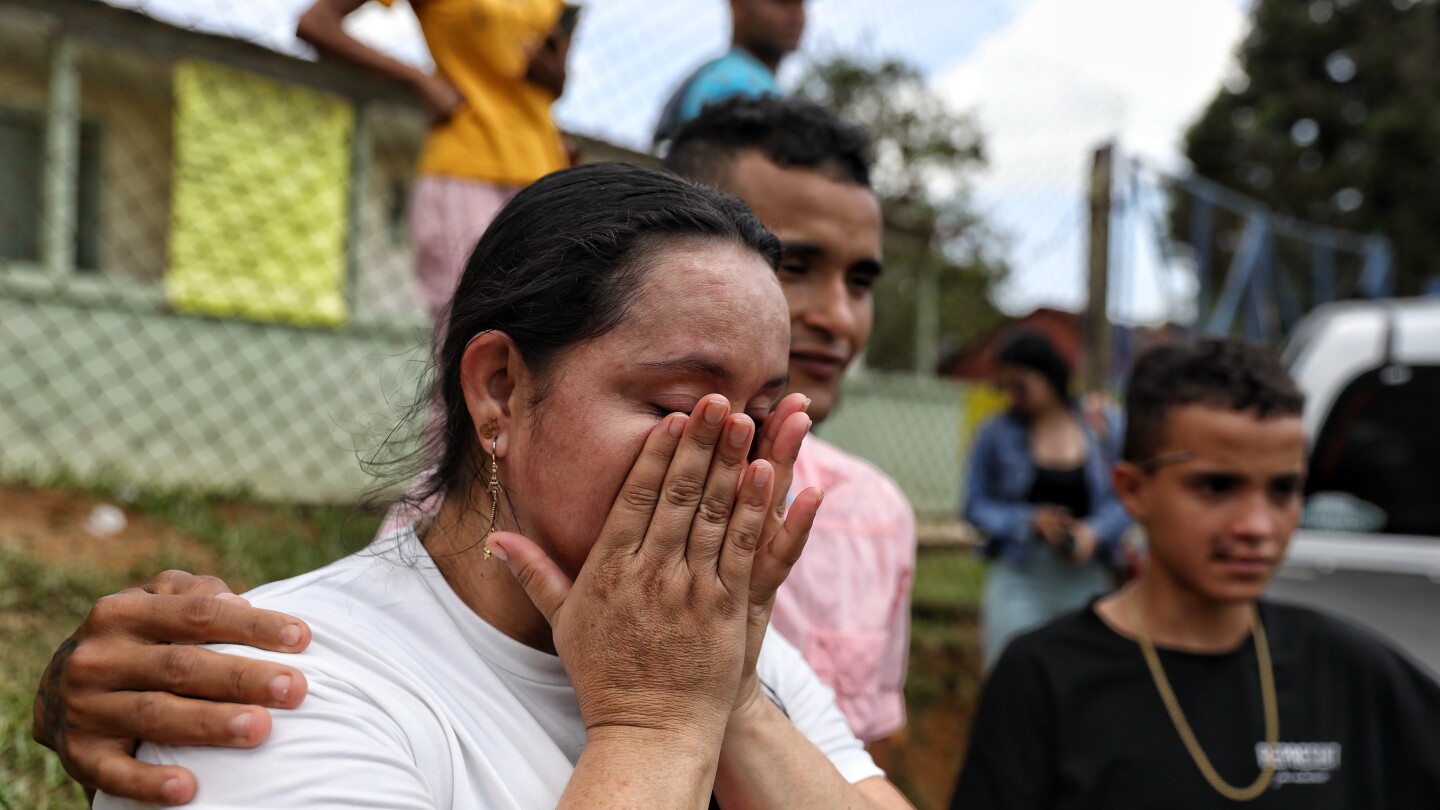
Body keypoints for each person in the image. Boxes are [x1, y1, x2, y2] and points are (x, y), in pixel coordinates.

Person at [76, 162, 910, 808]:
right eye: (684, 406)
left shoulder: (738, 659)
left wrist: (731, 704)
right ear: (500, 391)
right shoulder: (285, 686)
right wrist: (653, 724)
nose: (735, 465)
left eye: (762, 419)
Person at [951, 338, 1440, 809]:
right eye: (1215, 486)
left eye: (1283, 490)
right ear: (1133, 490)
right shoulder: (1044, 680)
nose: (1256, 526)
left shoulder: (1352, 672)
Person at [296, 0, 574, 320]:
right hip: (465, 166)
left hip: (545, 173)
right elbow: (316, 23)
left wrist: (552, 70)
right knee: (471, 323)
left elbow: (556, 81)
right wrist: (419, 79)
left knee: (548, 326)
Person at [964, 331, 1130, 669]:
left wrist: (1092, 533)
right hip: (1021, 575)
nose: (1012, 396)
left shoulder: (1101, 425)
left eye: (1021, 386)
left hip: (1086, 578)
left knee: (1087, 683)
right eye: (1004, 387)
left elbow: (1129, 495)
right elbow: (974, 506)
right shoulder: (995, 433)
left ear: (1050, 375)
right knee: (1012, 675)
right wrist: (1029, 521)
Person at [652, 0, 804, 144]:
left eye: (801, 3)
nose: (796, 15)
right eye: (781, 2)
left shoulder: (714, 75)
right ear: (737, 5)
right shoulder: (738, 84)